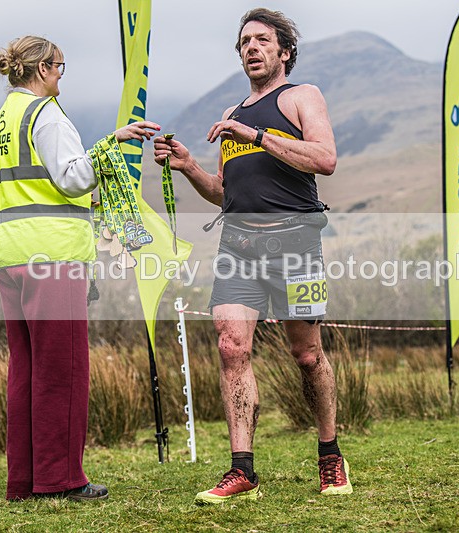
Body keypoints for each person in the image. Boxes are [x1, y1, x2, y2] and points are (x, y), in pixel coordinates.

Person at [153, 9, 352, 504]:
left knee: (307, 355)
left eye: (263, 40)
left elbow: (324, 159)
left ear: (284, 52)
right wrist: (189, 167)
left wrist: (259, 137)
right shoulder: (234, 113)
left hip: (298, 245)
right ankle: (242, 471)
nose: (251, 48)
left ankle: (330, 456)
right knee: (230, 347)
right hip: (237, 247)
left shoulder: (302, 97)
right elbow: (225, 193)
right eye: (244, 42)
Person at [0, 35, 160, 502]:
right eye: (60, 65)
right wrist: (110, 146)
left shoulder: (1, 121)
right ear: (41, 68)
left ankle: (23, 481)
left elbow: (34, 186)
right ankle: (60, 479)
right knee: (62, 369)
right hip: (51, 257)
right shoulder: (46, 115)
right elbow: (72, 177)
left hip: (7, 256)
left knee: (25, 370)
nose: (62, 74)